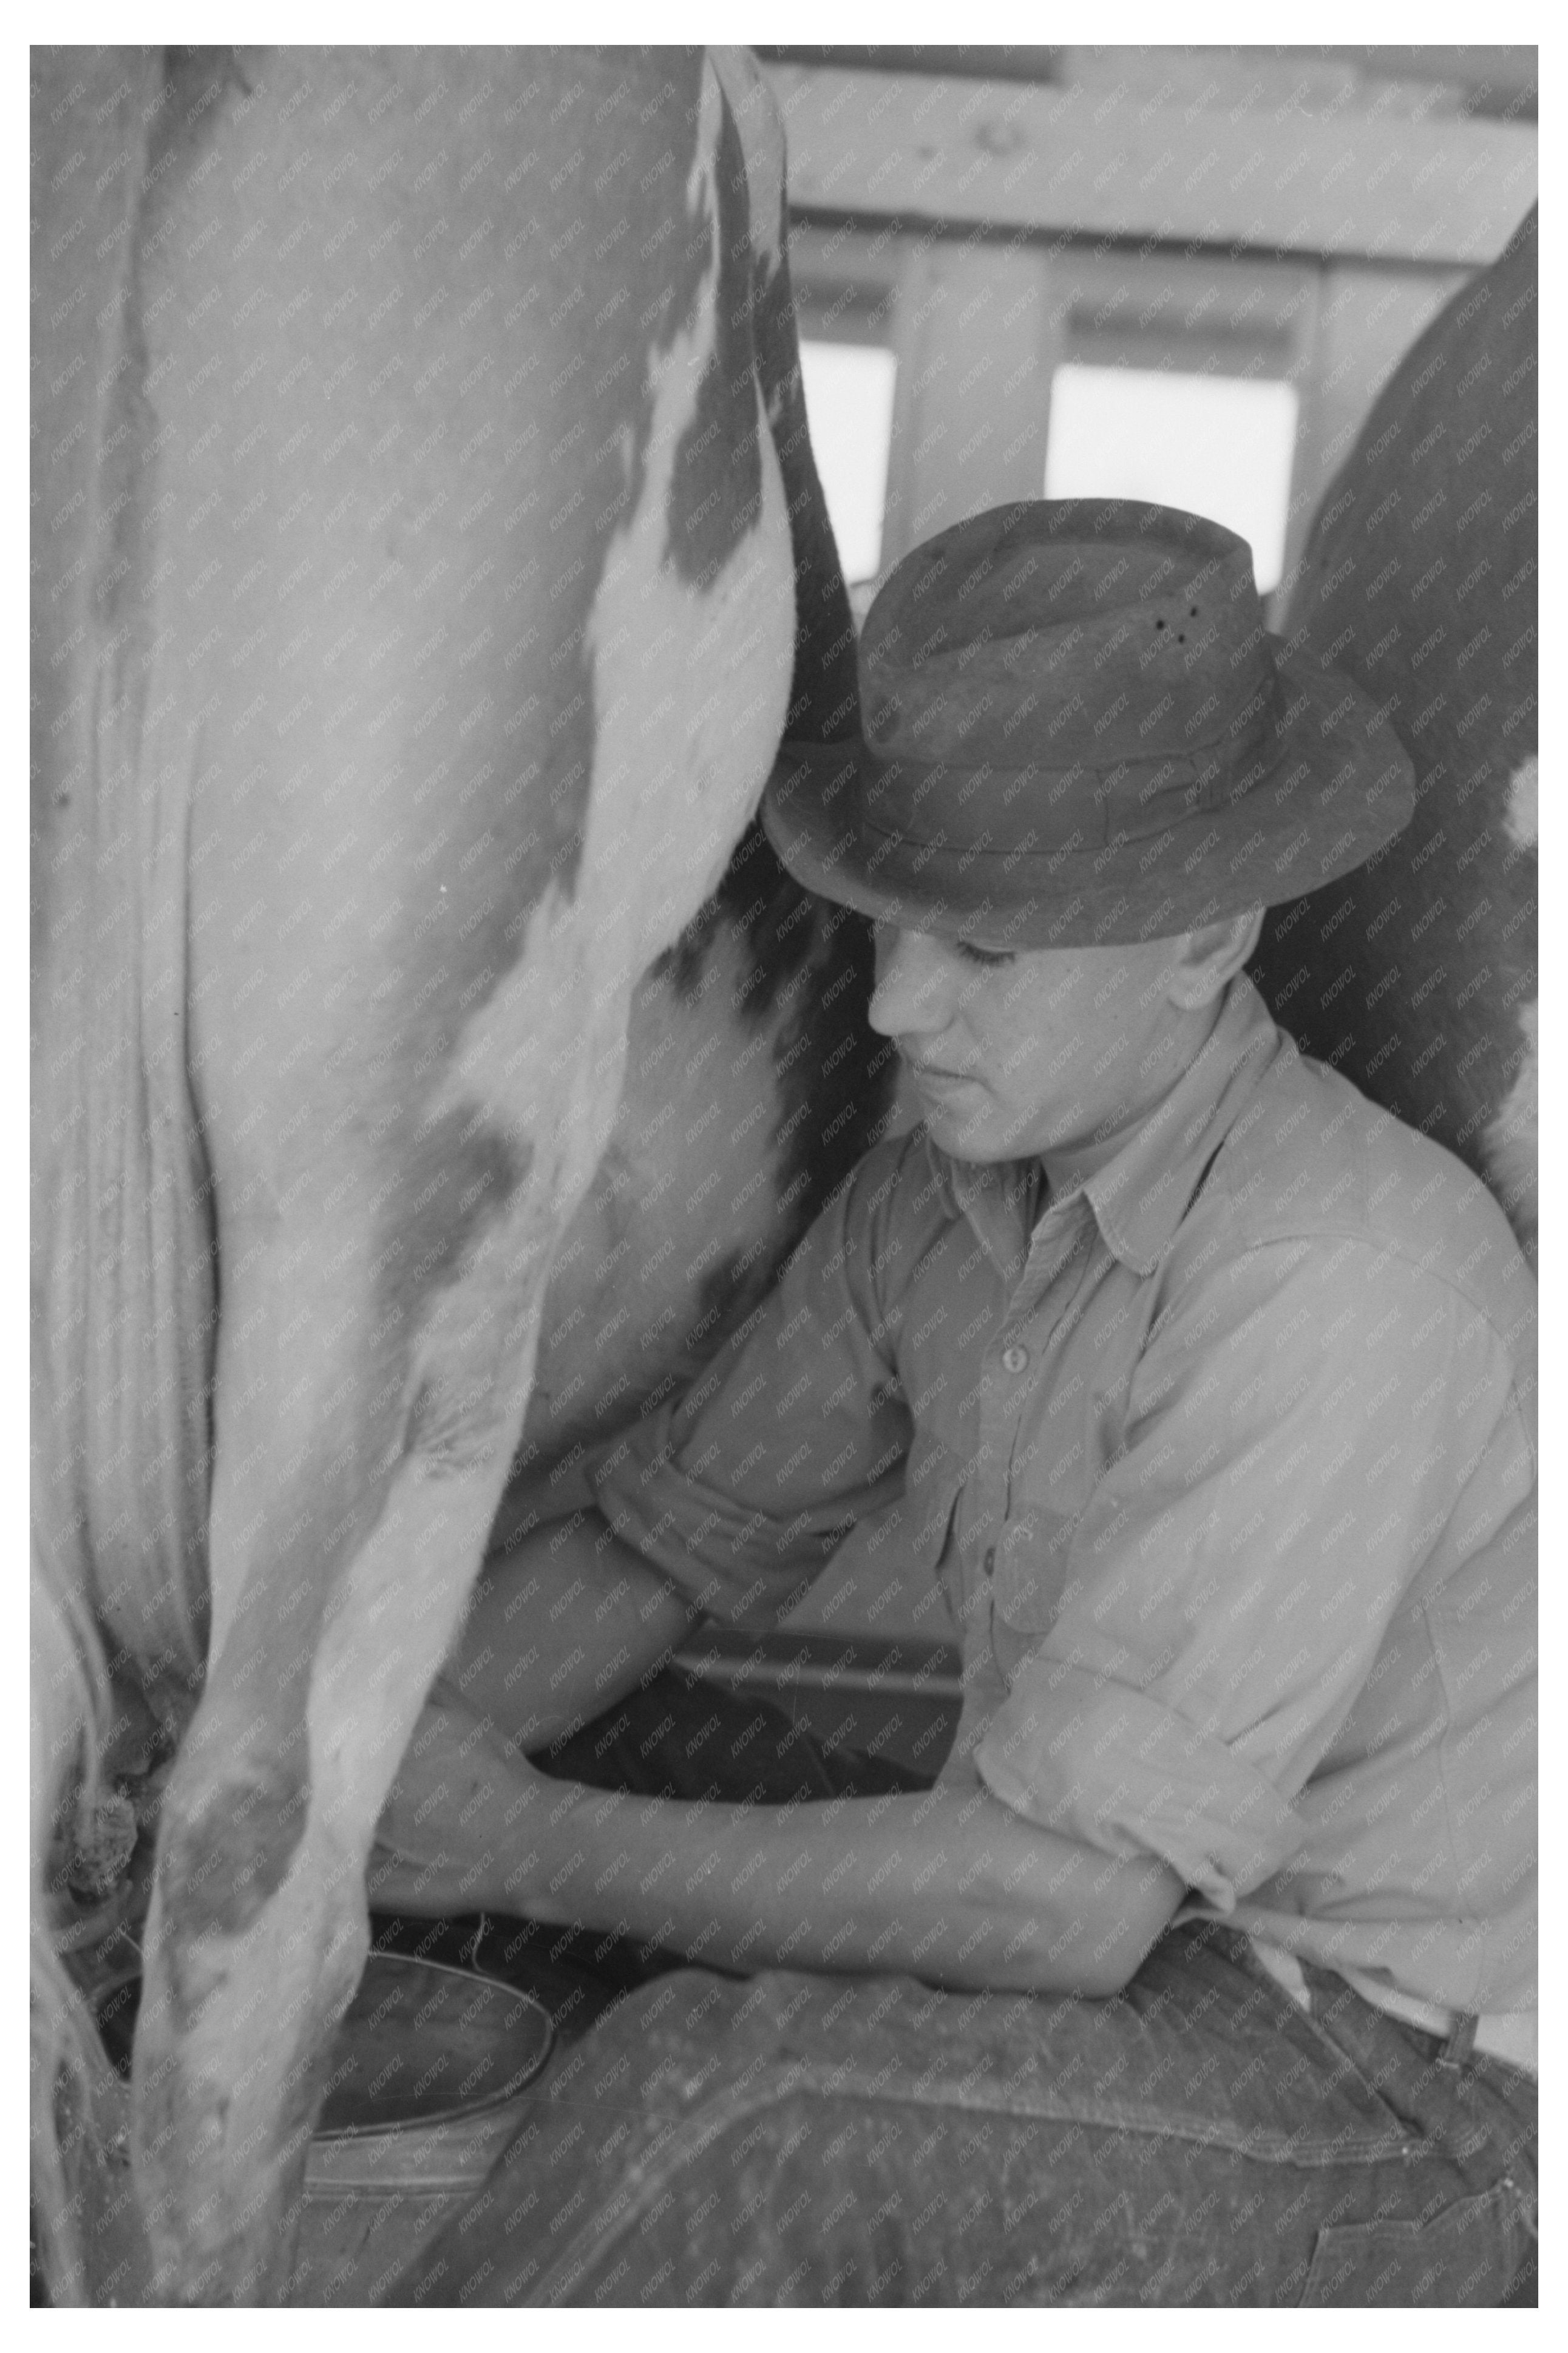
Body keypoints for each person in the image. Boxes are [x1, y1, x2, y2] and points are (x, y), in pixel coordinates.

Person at [373, 502, 1536, 2306]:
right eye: (889, 925)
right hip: (1103, 1911)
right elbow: (655, 1543)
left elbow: (1065, 1909)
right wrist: (338, 1779)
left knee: (721, 2104)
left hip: (1381, 2081)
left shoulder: (1345, 1272)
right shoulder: (937, 1191)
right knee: (550, 1741)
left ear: (1201, 932)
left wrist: (519, 1841)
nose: (901, 1008)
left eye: (983, 951)